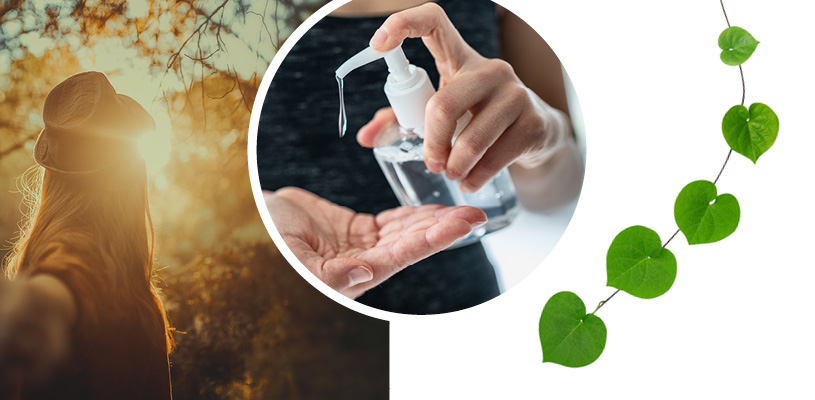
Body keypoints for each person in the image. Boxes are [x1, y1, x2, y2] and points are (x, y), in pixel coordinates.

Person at [259, 0, 584, 314]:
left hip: (464, 304)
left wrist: (546, 140)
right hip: (292, 319)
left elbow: (560, 195)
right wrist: (261, 213)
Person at [0, 72, 173, 399]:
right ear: (131, 178)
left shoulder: (83, 258)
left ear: (51, 177)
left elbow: (56, 289)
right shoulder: (134, 294)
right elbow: (56, 290)